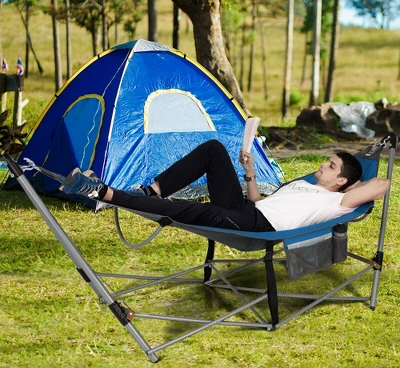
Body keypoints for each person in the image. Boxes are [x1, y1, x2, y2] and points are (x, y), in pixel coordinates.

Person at [59, 139, 390, 232]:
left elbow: (382, 183)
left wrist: (353, 187)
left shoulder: (336, 202)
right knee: (214, 149)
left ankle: (102, 192)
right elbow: (258, 201)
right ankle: (153, 190)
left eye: (330, 166)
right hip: (248, 208)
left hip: (255, 225)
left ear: (342, 181)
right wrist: (249, 172)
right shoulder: (302, 186)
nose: (322, 165)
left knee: (187, 210)